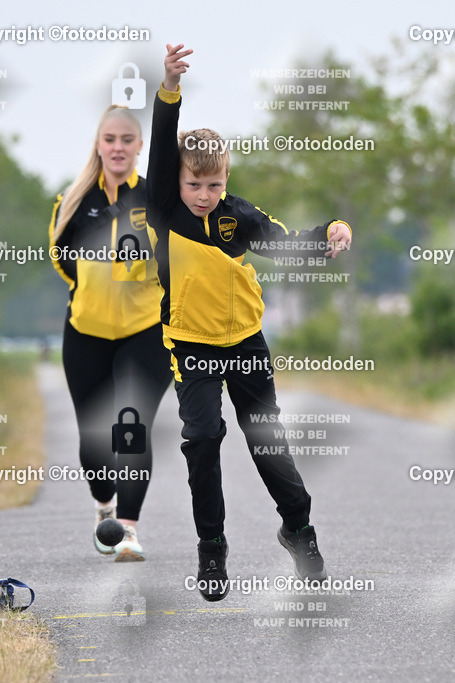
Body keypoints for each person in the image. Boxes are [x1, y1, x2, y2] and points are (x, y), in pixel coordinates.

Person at [145, 44, 353, 601]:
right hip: (190, 345)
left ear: (226, 179)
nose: (205, 197)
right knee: (203, 439)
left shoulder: (240, 216)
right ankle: (212, 553)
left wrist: (330, 231)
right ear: (177, 182)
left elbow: (288, 246)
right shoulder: (164, 207)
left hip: (245, 344)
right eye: (194, 185)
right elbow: (164, 141)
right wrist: (169, 87)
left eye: (214, 186)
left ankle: (299, 529)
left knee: (267, 441)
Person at [49, 104, 172, 562]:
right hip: (86, 331)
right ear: (98, 145)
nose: (118, 147)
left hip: (145, 330)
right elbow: (63, 262)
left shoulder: (157, 199)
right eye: (110, 139)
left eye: (127, 140)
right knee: (94, 440)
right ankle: (105, 505)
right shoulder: (73, 201)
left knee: (132, 428)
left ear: (140, 146)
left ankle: (129, 530)